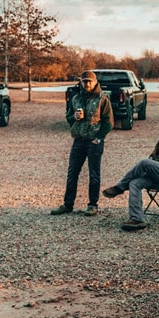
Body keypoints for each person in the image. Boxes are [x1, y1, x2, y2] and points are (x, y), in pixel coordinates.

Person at [102, 115, 159, 231]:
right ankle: (137, 219)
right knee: (134, 183)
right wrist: (148, 168)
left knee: (144, 162)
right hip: (157, 170)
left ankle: (120, 187)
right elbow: (153, 155)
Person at [51, 70, 113, 217]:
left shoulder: (102, 99)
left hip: (94, 142)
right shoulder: (75, 98)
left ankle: (93, 205)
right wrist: (74, 117)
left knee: (94, 174)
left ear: (95, 82)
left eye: (89, 81)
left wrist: (99, 137)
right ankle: (68, 204)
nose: (87, 84)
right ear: (81, 82)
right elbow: (68, 117)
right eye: (84, 81)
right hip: (78, 140)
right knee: (72, 173)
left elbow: (109, 122)